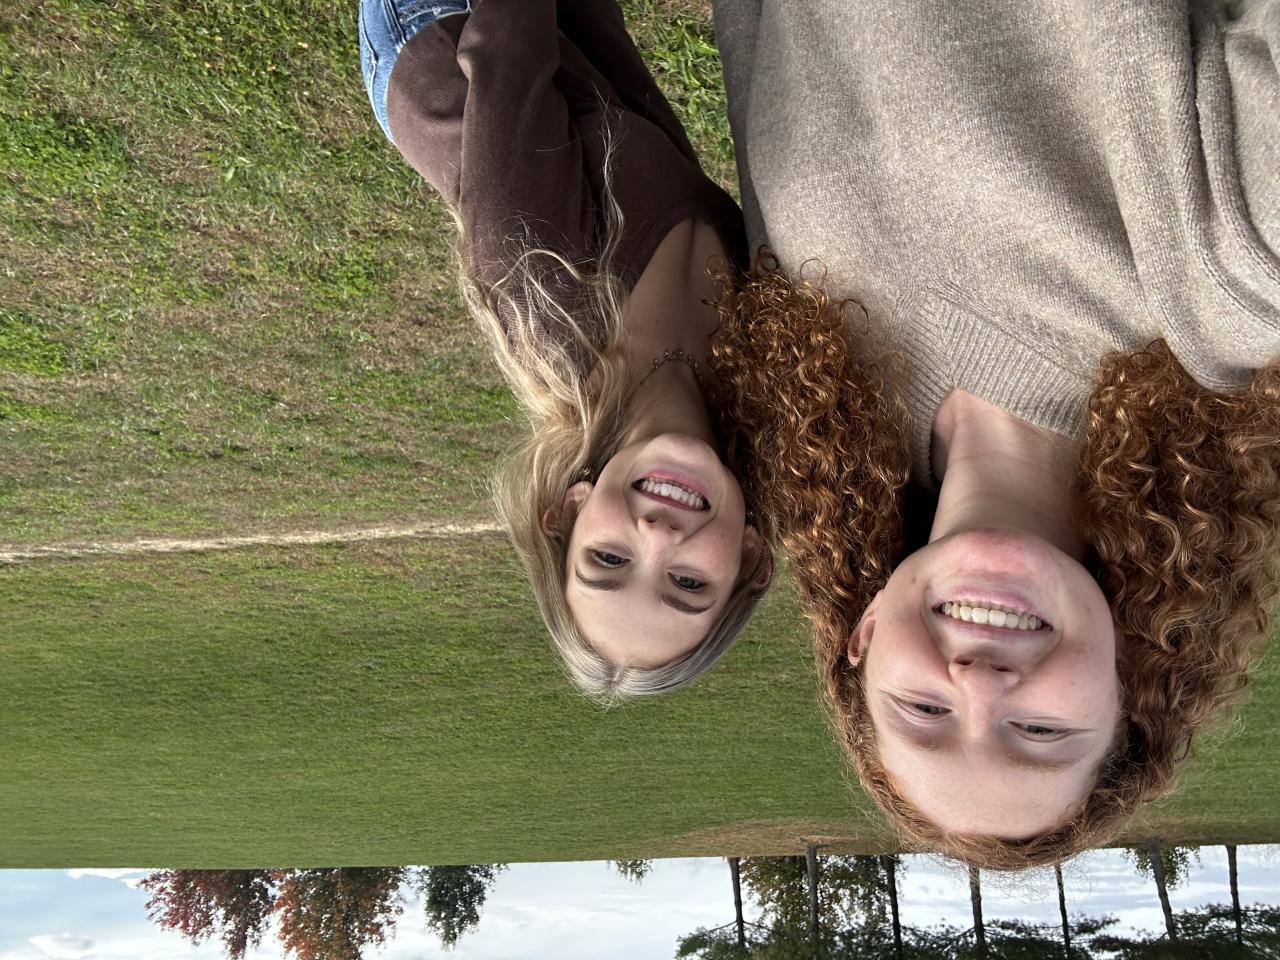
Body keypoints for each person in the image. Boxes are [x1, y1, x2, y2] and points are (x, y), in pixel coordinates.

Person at [709, 0, 1280, 866]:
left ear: (863, 638)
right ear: (1130, 681)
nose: (979, 686)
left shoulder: (815, 365)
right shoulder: (1231, 293)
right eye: (1040, 730)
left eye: (923, 712)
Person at [357, 0, 773, 699]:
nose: (656, 535)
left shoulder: (545, 279)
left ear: (572, 510)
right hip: (567, 69)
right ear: (749, 558)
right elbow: (638, 121)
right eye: (687, 583)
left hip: (441, 39)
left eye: (608, 559)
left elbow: (505, 45)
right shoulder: (759, 374)